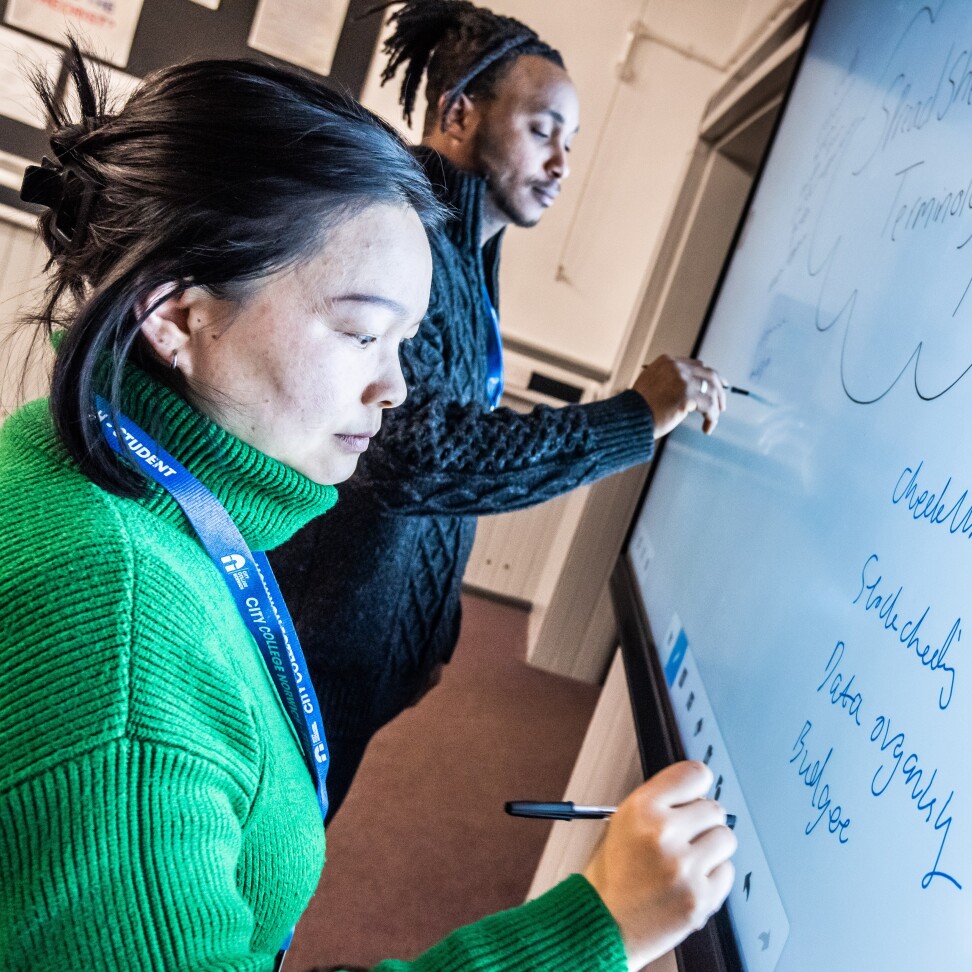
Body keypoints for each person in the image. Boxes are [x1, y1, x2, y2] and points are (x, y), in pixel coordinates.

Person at [0, 49, 736, 972]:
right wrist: (592, 930)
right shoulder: (124, 648)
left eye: (403, 341)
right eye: (359, 333)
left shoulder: (90, 458)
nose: (393, 387)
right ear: (177, 317)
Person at [269, 0, 729, 820]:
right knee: (256, 870)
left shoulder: (468, 255)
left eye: (571, 143)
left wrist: (428, 627)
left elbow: (449, 450)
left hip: (363, 652)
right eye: (544, 129)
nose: (560, 163)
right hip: (307, 646)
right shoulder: (403, 237)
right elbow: (418, 455)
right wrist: (634, 415)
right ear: (458, 113)